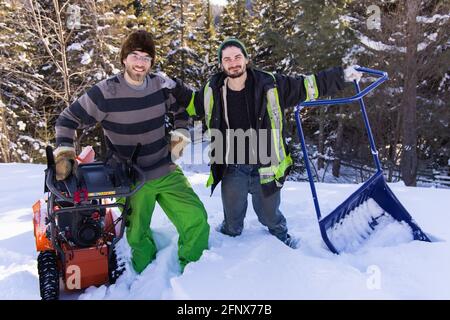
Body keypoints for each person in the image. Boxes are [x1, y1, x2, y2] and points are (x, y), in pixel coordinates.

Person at [168, 38, 362, 248]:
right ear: (221, 64)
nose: (233, 63)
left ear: (246, 59)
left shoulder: (270, 84)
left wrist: (341, 76)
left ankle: (281, 237)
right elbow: (192, 103)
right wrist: (170, 85)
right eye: (227, 59)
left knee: (270, 216)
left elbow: (307, 85)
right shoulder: (212, 89)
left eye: (237, 57)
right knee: (232, 221)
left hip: (266, 165)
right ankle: (227, 242)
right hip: (232, 166)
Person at [53, 30, 210, 273]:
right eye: (135, 55)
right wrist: (65, 154)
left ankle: (194, 271)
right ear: (124, 58)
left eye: (146, 57)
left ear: (151, 62)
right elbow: (67, 118)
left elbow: (182, 109)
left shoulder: (160, 85)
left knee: (196, 218)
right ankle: (145, 275)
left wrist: (180, 135)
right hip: (130, 176)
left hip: (165, 168)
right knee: (136, 235)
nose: (140, 62)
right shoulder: (106, 92)